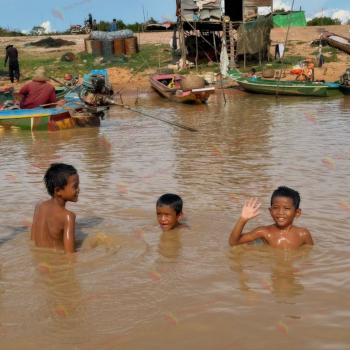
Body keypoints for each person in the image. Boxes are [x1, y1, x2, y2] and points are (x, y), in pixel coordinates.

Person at [228, 186, 314, 249]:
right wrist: (243, 219)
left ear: (297, 213)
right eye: (276, 208)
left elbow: (310, 253)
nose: (280, 213)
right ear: (270, 211)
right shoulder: (264, 232)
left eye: (286, 208)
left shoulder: (303, 234)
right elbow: (234, 242)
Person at [30, 163, 79, 254]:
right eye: (75, 186)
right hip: (58, 264)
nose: (79, 189)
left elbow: (32, 241)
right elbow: (70, 256)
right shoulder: (68, 216)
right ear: (58, 191)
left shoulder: (39, 205)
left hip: (39, 262)